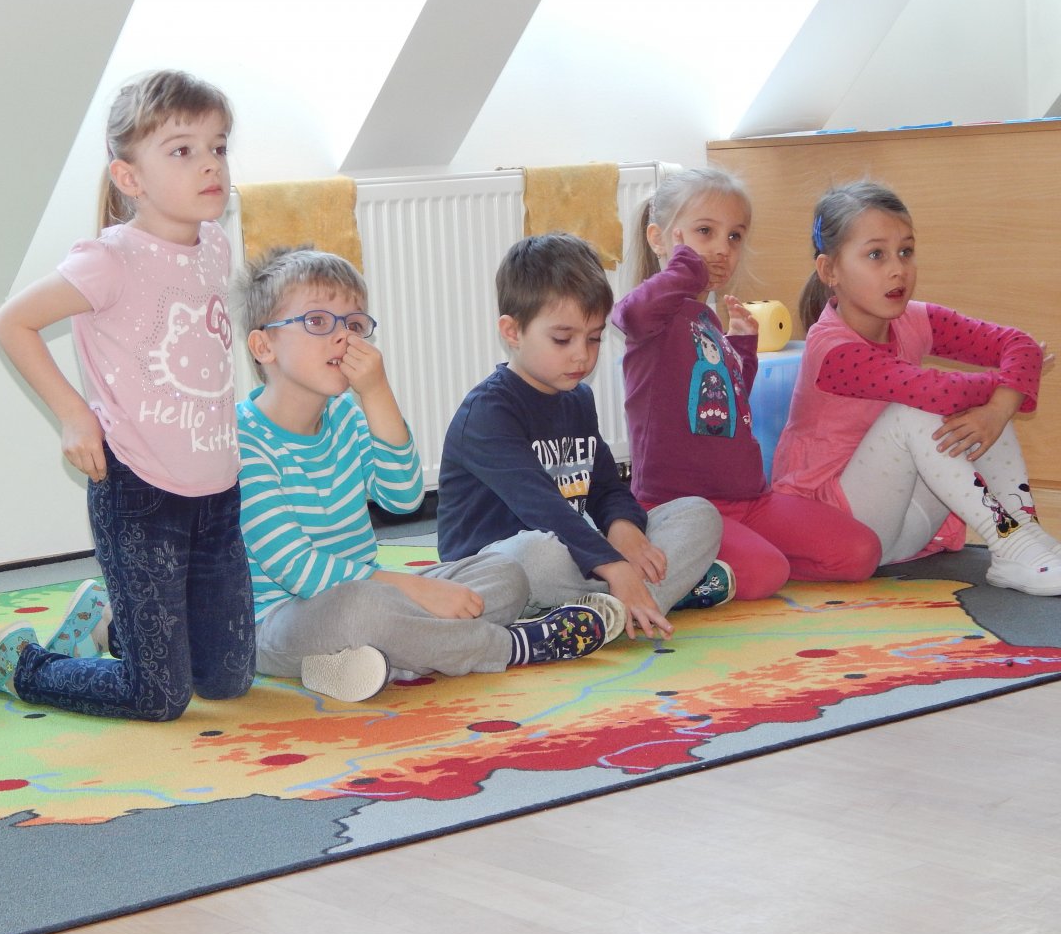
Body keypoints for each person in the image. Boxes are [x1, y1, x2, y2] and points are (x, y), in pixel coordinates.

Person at [235, 246, 627, 703]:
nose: (343, 337)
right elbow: (298, 570)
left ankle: (373, 664)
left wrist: (376, 392)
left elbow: (403, 497)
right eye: (318, 322)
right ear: (263, 347)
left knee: (504, 573)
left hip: (377, 592)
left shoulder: (347, 417)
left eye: (355, 324)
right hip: (279, 622)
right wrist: (416, 589)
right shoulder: (241, 441)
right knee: (362, 610)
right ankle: (512, 645)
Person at [0, 69, 255, 721]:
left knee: (226, 681)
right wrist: (74, 416)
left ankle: (115, 625)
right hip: (140, 492)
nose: (210, 164)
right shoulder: (109, 260)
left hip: (218, 491)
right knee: (159, 697)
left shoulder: (216, 246)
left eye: (218, 147)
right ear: (129, 178)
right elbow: (12, 323)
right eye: (182, 150)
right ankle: (22, 665)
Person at [774, 179, 1060, 595]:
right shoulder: (832, 350)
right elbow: (938, 393)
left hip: (901, 525)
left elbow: (1017, 343)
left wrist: (1001, 404)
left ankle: (1026, 537)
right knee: (918, 413)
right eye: (876, 255)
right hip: (836, 523)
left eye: (905, 251)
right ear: (829, 271)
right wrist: (1011, 383)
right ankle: (1010, 542)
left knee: (985, 414)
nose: (898, 269)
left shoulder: (915, 317)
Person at [438, 232, 727, 642]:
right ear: (512, 331)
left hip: (574, 554)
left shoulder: (577, 399)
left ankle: (610, 612)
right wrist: (616, 565)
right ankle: (631, 599)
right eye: (562, 339)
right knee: (539, 553)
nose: (582, 355)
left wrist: (622, 526)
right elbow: (543, 508)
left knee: (698, 514)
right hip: (497, 569)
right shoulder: (488, 413)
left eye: (593, 338)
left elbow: (605, 486)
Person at [611, 167, 881, 601]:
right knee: (763, 573)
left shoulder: (706, 320)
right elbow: (628, 314)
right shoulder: (653, 318)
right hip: (681, 509)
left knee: (861, 552)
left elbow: (726, 404)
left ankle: (726, 562)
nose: (722, 248)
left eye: (735, 236)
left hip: (750, 500)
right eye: (705, 232)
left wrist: (742, 349)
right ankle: (671, 566)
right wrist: (685, 268)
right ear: (659, 239)